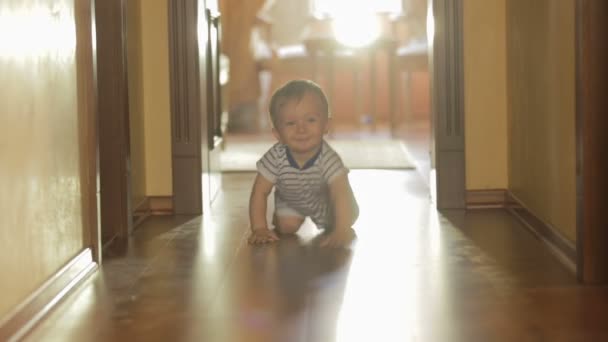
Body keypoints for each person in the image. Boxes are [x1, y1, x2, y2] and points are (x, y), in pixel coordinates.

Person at [248, 79, 359, 248]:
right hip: (292, 200)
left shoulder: (327, 158)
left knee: (346, 216)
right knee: (286, 228)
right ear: (277, 134)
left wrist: (341, 229)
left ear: (326, 125)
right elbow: (259, 192)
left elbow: (340, 191)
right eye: (291, 123)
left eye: (311, 120)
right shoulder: (275, 157)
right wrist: (259, 228)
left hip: (328, 201)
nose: (301, 129)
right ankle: (282, 217)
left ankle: (341, 220)